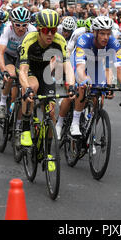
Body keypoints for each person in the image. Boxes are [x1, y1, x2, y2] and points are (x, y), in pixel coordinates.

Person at [62, 15, 121, 137]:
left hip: (96, 63)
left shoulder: (113, 43)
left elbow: (119, 67)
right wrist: (84, 79)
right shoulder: (84, 40)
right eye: (102, 34)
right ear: (95, 32)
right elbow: (80, 68)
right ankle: (75, 122)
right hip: (80, 63)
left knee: (100, 95)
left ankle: (90, 129)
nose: (106, 37)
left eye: (108, 33)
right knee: (83, 87)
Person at [18, 9, 76, 147]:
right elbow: (23, 71)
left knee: (50, 113)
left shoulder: (59, 40)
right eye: (46, 31)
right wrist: (26, 88)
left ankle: (48, 154)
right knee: (32, 88)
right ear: (39, 29)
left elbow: (67, 65)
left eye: (53, 30)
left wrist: (72, 86)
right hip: (29, 68)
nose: (50, 34)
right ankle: (25, 128)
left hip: (45, 71)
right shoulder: (29, 40)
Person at [0, 6, 36, 119]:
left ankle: (19, 122)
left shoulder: (32, 30)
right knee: (11, 75)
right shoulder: (7, 29)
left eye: (24, 25)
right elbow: (0, 52)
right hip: (9, 56)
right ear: (12, 22)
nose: (21, 28)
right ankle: (2, 103)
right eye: (17, 24)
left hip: (23, 58)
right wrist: (4, 70)